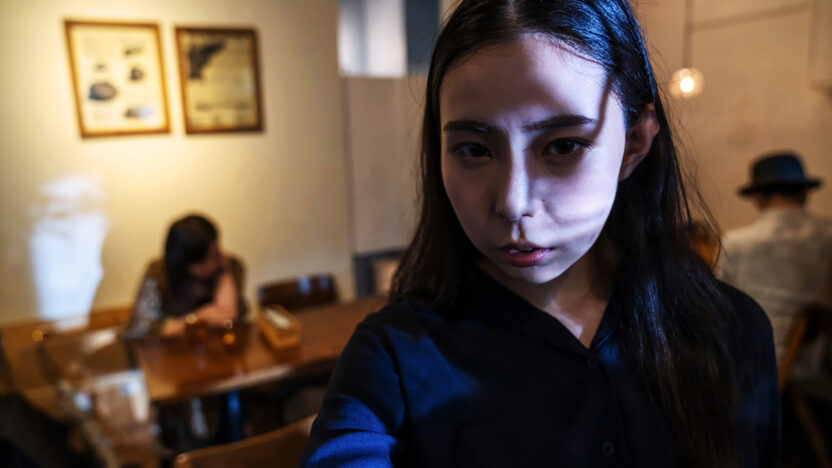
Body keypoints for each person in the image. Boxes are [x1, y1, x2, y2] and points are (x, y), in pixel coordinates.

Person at [301, 1, 779, 467]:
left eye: (563, 145)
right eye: (473, 150)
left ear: (634, 143)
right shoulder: (392, 359)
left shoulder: (730, 331)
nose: (513, 203)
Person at [717, 152, 832, 367]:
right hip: (813, 365)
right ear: (805, 193)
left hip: (751, 364)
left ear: (756, 197)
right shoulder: (828, 236)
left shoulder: (734, 243)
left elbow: (720, 307)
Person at [127, 213, 246, 338]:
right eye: (204, 261)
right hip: (171, 348)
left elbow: (229, 315)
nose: (214, 262)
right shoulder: (158, 272)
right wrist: (198, 318)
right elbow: (141, 329)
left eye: (216, 252)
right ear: (184, 263)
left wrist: (225, 271)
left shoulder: (230, 265)